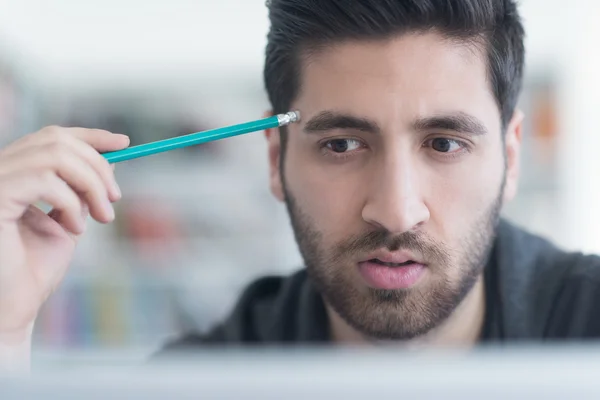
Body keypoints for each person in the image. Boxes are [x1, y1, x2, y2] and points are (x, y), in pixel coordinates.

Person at [1, 0, 600, 371]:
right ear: (275, 161)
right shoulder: (199, 383)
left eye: (444, 144)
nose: (395, 211)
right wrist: (6, 334)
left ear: (511, 156)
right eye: (341, 144)